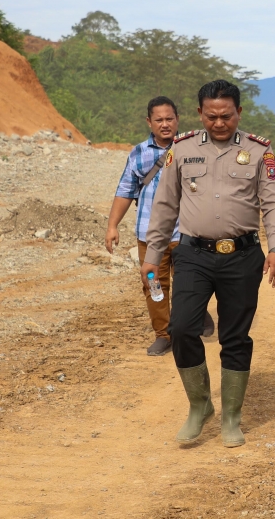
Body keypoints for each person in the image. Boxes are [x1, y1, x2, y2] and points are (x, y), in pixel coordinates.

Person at [143, 80, 275, 448]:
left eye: (226, 116)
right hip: (193, 254)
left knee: (234, 337)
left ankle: (232, 417)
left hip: (242, 257)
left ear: (239, 113)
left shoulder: (259, 152)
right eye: (211, 116)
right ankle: (199, 405)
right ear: (199, 114)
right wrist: (152, 255)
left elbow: (272, 204)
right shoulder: (182, 149)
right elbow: (164, 206)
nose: (219, 123)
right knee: (181, 327)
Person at [105, 96, 212, 356]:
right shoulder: (139, 153)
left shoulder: (194, 149)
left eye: (169, 119)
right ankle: (163, 334)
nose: (165, 124)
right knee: (153, 284)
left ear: (178, 119)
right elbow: (125, 190)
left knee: (193, 283)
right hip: (150, 236)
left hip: (188, 233)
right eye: (159, 120)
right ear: (149, 122)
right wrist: (112, 226)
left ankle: (196, 313)